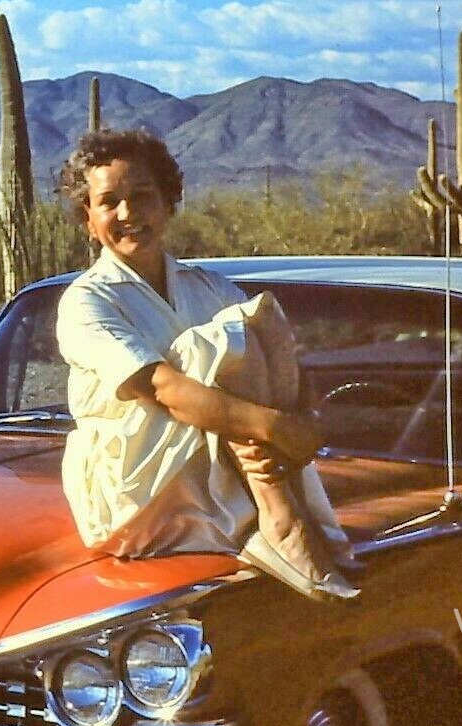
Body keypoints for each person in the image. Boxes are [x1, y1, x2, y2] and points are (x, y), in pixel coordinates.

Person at [54, 128, 357, 601]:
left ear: (169, 203)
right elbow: (163, 390)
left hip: (214, 475)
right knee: (207, 347)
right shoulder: (86, 301)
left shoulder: (208, 287)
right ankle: (281, 518)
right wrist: (275, 428)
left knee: (257, 317)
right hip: (133, 496)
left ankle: (279, 508)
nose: (128, 213)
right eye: (109, 202)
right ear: (88, 220)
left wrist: (301, 419)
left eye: (142, 196)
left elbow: (276, 362)